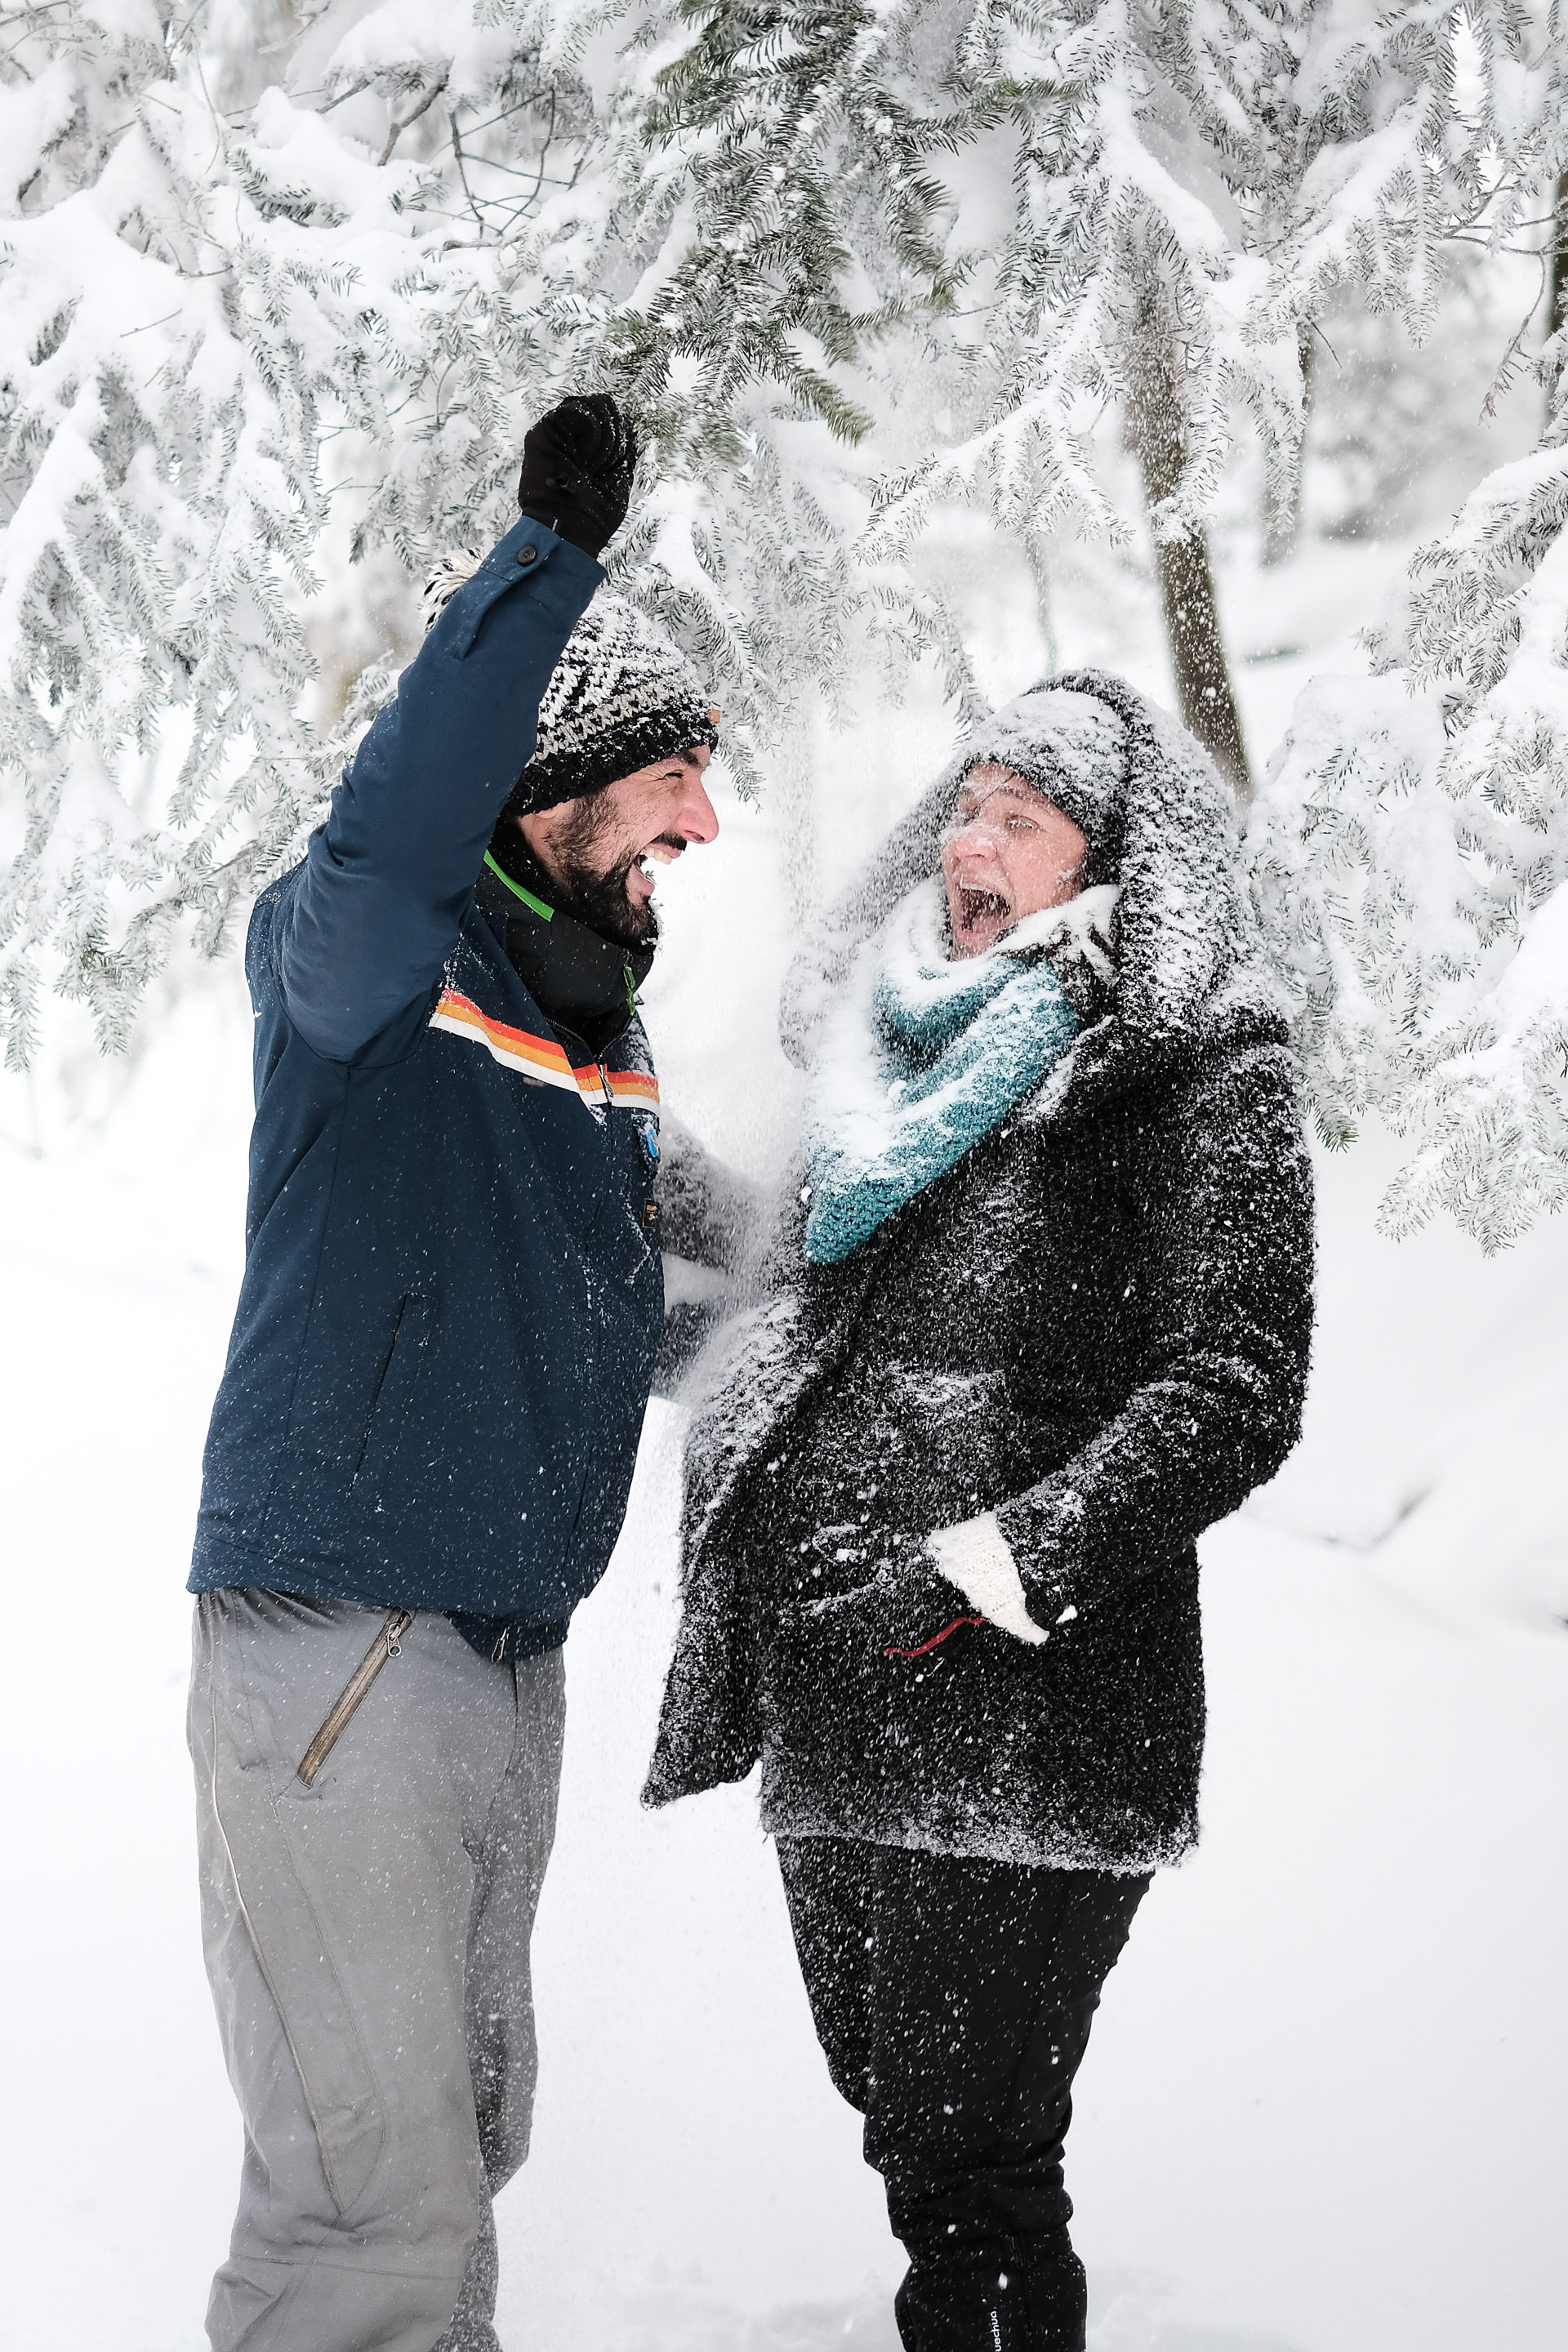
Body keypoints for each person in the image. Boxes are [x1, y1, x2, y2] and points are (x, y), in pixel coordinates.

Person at [644, 676, 1315, 2352]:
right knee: (901, 2112)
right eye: (966, 805)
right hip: (840, 1675)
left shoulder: (1194, 1078)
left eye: (1021, 817)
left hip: (1029, 1700)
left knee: (976, 2156)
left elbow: (1237, 1382)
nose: (971, 841)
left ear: (1111, 862)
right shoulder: (884, 1057)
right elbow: (797, 1319)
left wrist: (1011, 1560)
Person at [186, 394, 722, 2352]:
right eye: (669, 775)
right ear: (542, 775)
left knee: (455, 2142)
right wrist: (544, 571)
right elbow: (398, 816)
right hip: (341, 1638)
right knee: (365, 2217)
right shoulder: (368, 973)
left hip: (499, 1662)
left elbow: (659, 1308)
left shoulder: (595, 1049)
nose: (704, 823)